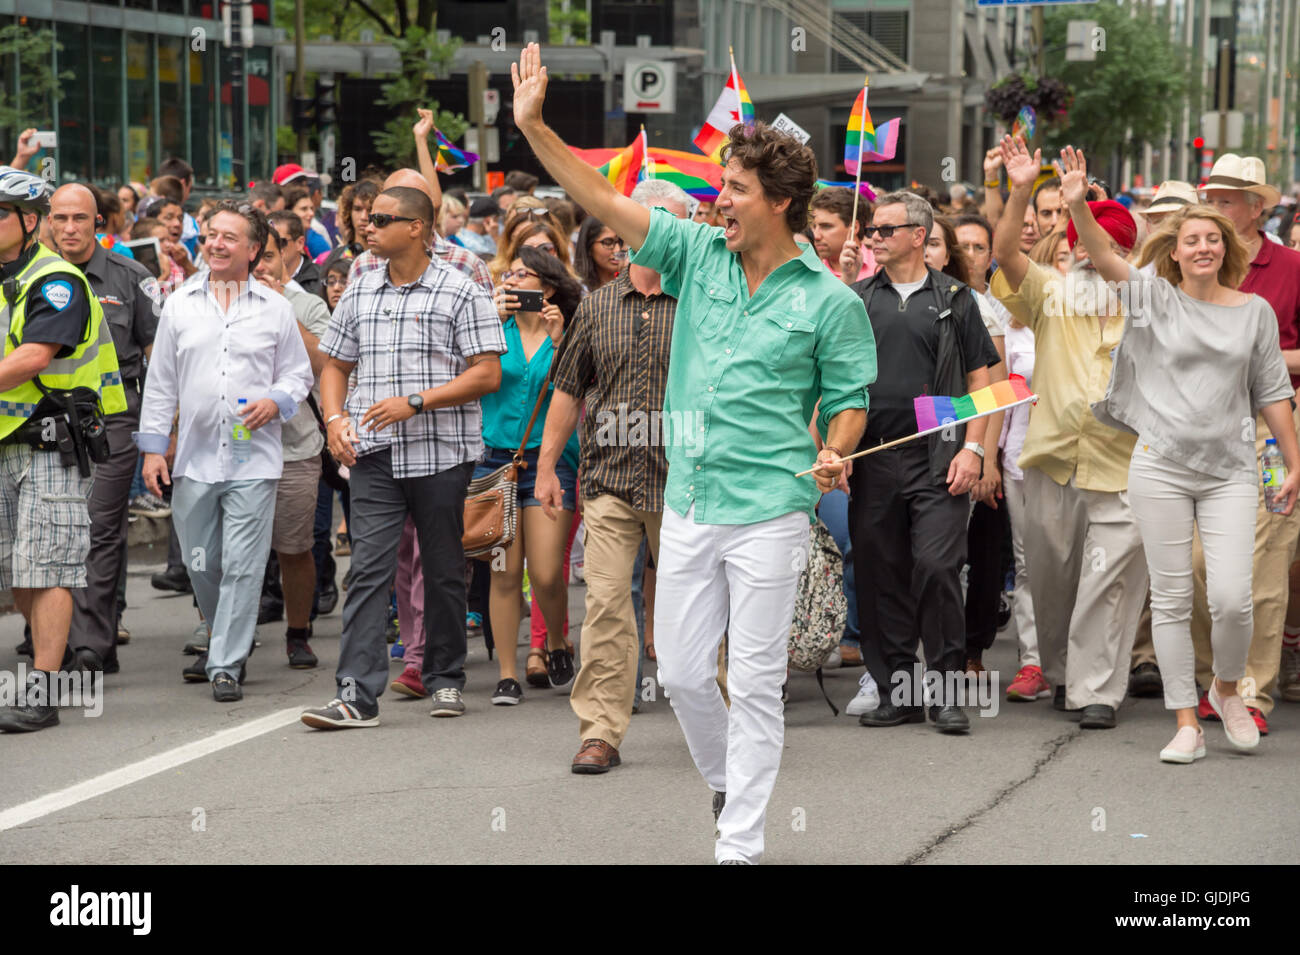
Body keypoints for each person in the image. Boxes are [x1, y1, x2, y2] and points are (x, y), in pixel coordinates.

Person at [511, 43, 874, 863]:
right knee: (678, 674)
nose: (721, 203)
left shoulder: (832, 302)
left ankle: (738, 843)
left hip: (773, 509)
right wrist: (534, 126)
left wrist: (835, 451)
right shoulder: (693, 251)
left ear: (779, 202)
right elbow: (599, 194)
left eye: (736, 191)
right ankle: (726, 776)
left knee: (751, 682)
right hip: (689, 503)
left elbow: (848, 405)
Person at [1062, 146, 1299, 761]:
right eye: (1191, 238)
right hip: (1160, 468)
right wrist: (1077, 203)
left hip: (1231, 471)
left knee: (1231, 598)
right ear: (1174, 251)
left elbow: (1272, 391)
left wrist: (1295, 463)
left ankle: (1226, 688)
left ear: (1227, 248)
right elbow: (1108, 260)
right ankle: (1187, 724)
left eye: (1212, 239)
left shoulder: (1255, 313)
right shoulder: (1153, 298)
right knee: (1170, 598)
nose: (1202, 247)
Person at [301, 185, 506, 728]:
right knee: (368, 569)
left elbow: (487, 372)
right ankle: (356, 693)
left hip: (442, 454)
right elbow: (334, 365)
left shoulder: (460, 289)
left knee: (441, 569)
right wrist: (335, 420)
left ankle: (444, 678)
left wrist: (418, 401)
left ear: (417, 227)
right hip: (373, 455)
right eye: (368, 219)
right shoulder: (362, 289)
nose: (369, 226)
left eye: (382, 219)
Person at [990, 134, 1149, 730]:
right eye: (1084, 248)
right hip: (1053, 463)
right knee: (1054, 585)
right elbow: (1006, 255)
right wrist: (1023, 188)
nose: (1093, 259)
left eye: (1108, 250)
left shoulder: (1151, 304)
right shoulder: (1052, 295)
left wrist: (1082, 204)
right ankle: (1062, 672)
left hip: (1126, 470)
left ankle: (1098, 690)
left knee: (1106, 585)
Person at [537, 178, 691, 771]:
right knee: (604, 604)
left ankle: (728, 714)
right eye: (640, 224)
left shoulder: (707, 302)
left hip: (690, 482)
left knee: (701, 608)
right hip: (610, 483)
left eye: (666, 226)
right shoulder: (597, 307)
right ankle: (600, 730)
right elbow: (568, 389)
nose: (649, 236)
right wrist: (549, 466)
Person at [136, 201, 314, 703]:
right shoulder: (179, 303)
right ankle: (226, 631)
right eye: (211, 234)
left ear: (253, 250)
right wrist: (154, 449)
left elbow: (298, 374)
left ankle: (226, 662)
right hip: (193, 459)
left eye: (229, 237)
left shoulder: (275, 308)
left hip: (252, 459)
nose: (215, 243)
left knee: (243, 563)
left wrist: (274, 400)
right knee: (200, 562)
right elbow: (161, 383)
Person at [845, 194, 997, 734]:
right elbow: (836, 377)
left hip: (939, 456)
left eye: (884, 230)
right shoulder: (858, 298)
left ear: (918, 234)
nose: (874, 238)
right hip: (874, 457)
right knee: (880, 572)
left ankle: (947, 691)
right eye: (870, 231)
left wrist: (974, 449)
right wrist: (835, 450)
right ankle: (898, 692)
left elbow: (982, 380)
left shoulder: (956, 298)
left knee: (935, 568)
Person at [0, 168, 127, 732]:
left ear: (28, 222)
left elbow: (34, 357)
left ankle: (44, 692)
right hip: (6, 445)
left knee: (48, 567)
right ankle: (63, 659)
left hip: (51, 443)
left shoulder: (55, 280)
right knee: (18, 571)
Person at [1188, 153, 1300, 732]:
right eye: (1212, 196)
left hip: (1270, 424)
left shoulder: (1291, 267)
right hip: (1201, 424)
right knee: (1200, 561)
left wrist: (1263, 357)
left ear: (1258, 207)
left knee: (1263, 562)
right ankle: (1215, 677)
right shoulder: (1199, 260)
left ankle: (1251, 693)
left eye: (1228, 199)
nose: (1217, 208)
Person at [49, 184, 160, 676]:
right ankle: (50, 634)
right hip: (45, 422)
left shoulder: (132, 277)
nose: (69, 228)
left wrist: (160, 435)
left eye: (80, 219)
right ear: (47, 222)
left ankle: (91, 644)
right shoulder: (30, 278)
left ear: (99, 223)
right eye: (60, 218)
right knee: (51, 527)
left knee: (96, 527)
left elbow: (161, 359)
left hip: (113, 420)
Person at [475, 246, 584, 705]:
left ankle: (556, 640)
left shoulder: (570, 332)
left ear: (549, 287)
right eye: (511, 273)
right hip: (496, 463)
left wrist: (561, 342)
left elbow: (581, 388)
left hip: (550, 464)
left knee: (544, 572)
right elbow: (468, 375)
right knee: (502, 574)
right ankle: (506, 673)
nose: (513, 280)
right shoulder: (489, 327)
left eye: (525, 275)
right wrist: (486, 323)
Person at [248, 227, 332, 669]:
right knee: (227, 551)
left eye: (268, 257)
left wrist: (282, 308)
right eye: (253, 257)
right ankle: (226, 639)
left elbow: (323, 363)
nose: (260, 266)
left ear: (285, 256)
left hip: (295, 447)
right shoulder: (219, 299)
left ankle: (298, 632)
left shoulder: (306, 304)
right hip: (238, 450)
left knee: (294, 549)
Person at [809, 186, 876, 284]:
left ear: (854, 227)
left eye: (826, 226)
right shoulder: (807, 271)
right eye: (814, 227)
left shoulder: (881, 267)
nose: (816, 236)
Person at [268, 210, 325, 299]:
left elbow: (314, 310)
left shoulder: (321, 278)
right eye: (265, 243)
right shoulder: (255, 274)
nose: (270, 248)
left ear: (299, 243)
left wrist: (287, 282)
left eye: (279, 242)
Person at [572, 215, 624, 290]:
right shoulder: (578, 290)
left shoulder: (631, 283)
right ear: (589, 246)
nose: (617, 250)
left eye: (620, 242)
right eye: (608, 242)